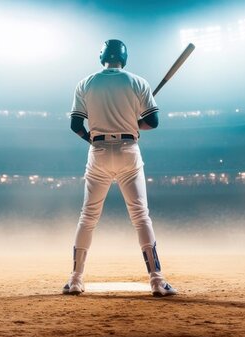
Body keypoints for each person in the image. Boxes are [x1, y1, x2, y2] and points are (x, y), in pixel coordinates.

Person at [63, 39, 178, 297]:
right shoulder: (138, 82)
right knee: (140, 216)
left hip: (99, 152)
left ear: (102, 56)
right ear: (124, 59)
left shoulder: (86, 83)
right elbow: (153, 121)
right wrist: (135, 125)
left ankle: (75, 279)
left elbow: (75, 125)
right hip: (128, 151)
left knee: (88, 217)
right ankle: (157, 281)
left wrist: (90, 138)